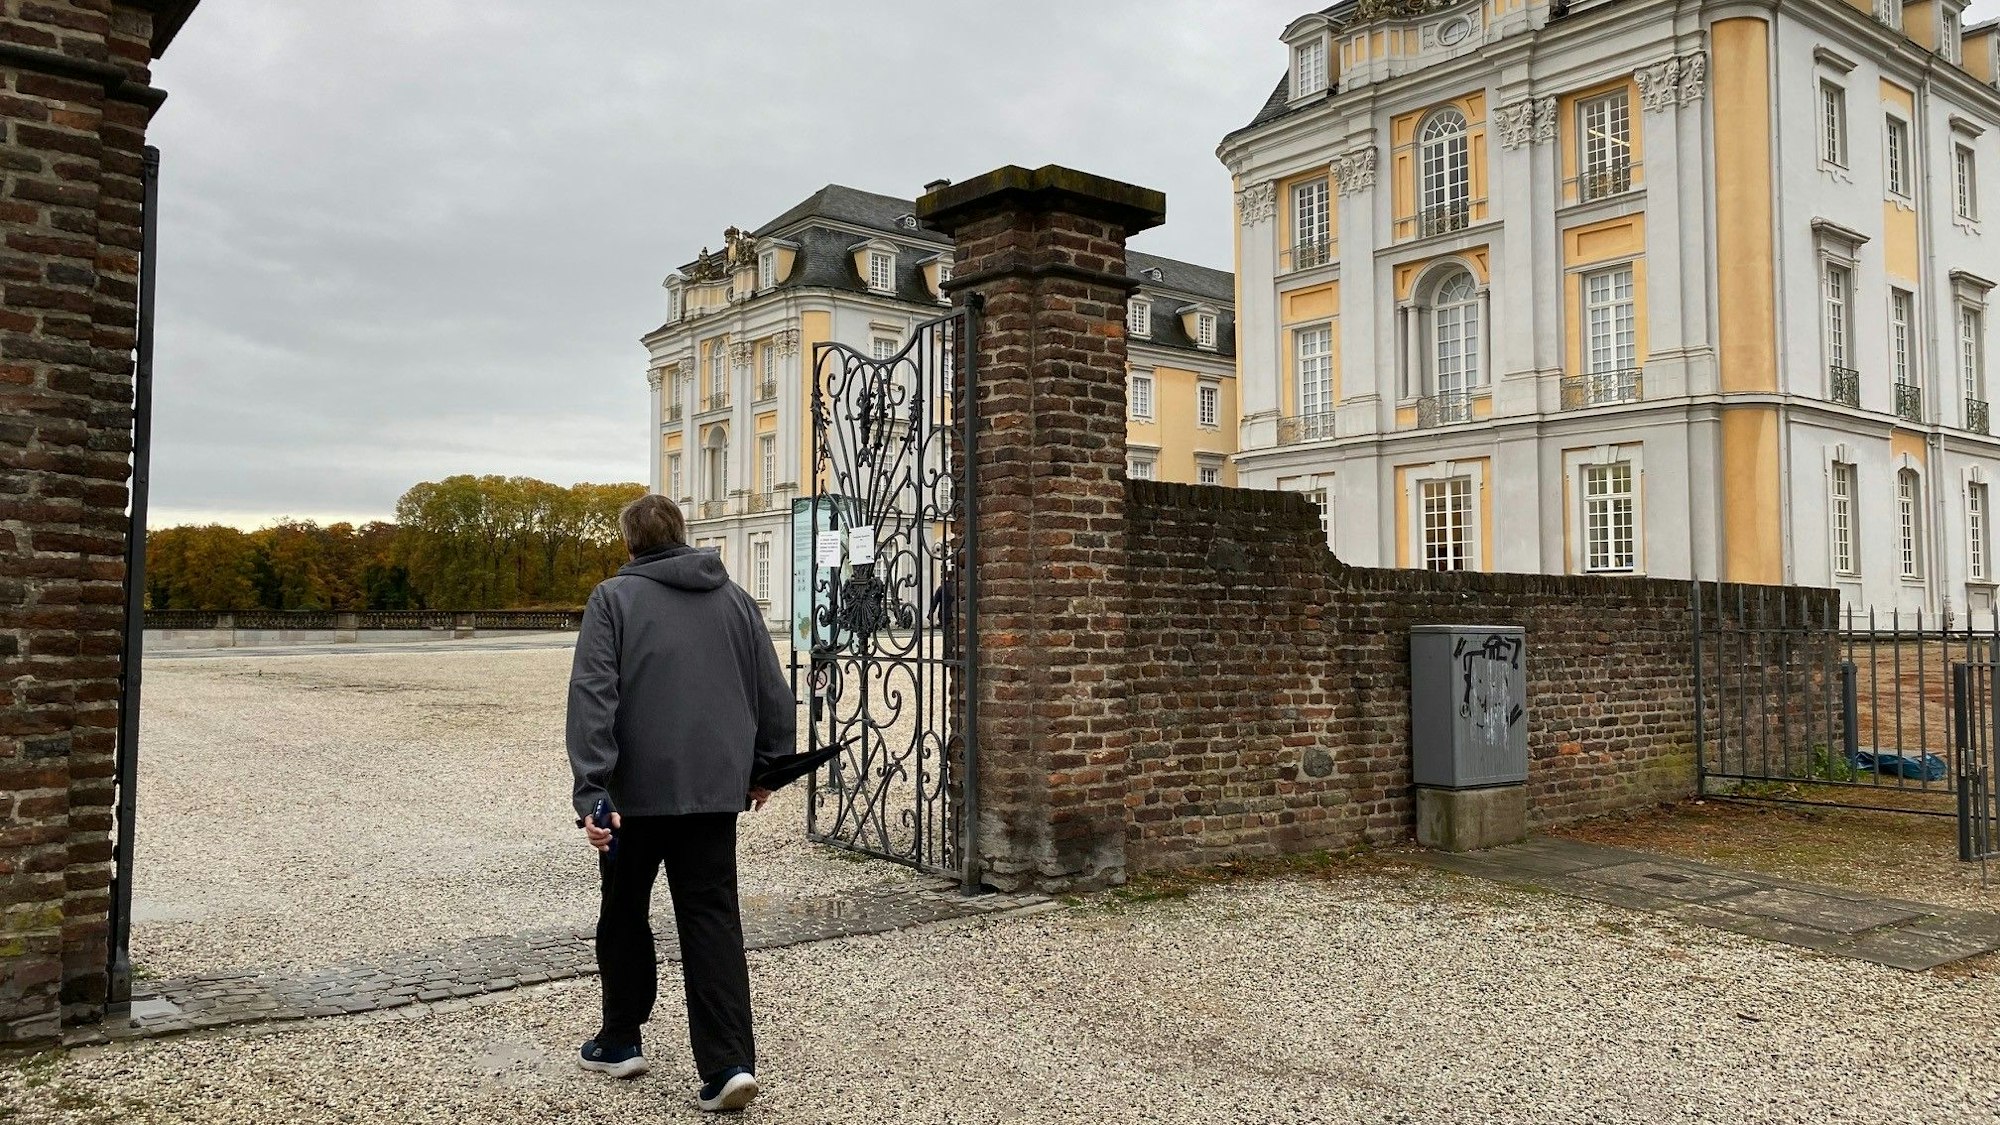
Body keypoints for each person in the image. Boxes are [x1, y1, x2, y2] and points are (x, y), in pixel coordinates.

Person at [566, 493, 795, 1114]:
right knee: (711, 920)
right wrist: (768, 768)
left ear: (629, 544)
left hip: (632, 799)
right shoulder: (736, 600)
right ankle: (727, 1064)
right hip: (713, 795)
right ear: (683, 534)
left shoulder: (612, 600)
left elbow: (594, 696)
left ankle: (620, 1040)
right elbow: (771, 689)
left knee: (622, 915)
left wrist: (592, 789)